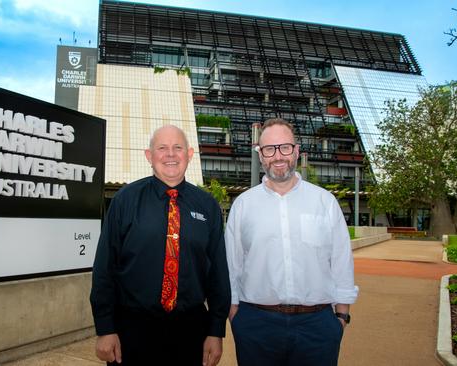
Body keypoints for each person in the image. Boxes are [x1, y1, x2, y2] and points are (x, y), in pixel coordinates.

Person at [90, 125, 230, 366]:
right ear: (149, 156)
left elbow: (218, 272)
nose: (171, 154)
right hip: (132, 329)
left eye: (178, 148)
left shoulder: (207, 206)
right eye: (162, 148)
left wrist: (216, 330)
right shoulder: (125, 200)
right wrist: (105, 328)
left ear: (189, 154)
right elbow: (105, 267)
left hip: (191, 329)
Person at [225, 118, 359, 366]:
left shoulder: (324, 201)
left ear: (296, 150)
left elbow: (341, 261)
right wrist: (236, 317)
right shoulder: (243, 205)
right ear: (260, 155)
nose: (278, 156)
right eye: (269, 149)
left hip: (317, 325)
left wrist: (341, 316)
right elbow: (232, 266)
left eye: (285, 147)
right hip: (256, 325)